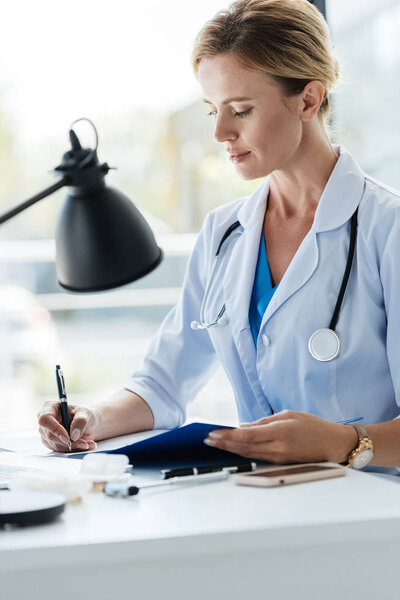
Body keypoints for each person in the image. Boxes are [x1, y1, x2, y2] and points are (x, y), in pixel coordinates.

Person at [38, 0, 400, 474]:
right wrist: (90, 418)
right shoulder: (224, 234)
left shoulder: (386, 229)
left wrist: (341, 442)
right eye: (212, 110)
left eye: (241, 110)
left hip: (370, 516)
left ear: (309, 100)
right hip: (260, 505)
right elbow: (163, 384)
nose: (221, 132)